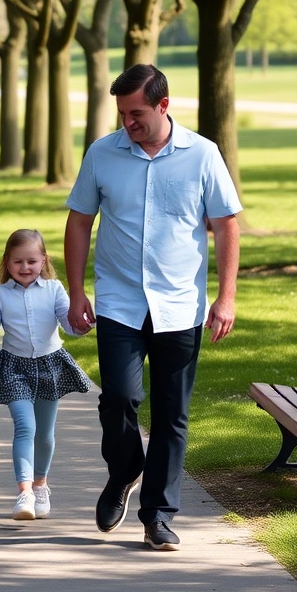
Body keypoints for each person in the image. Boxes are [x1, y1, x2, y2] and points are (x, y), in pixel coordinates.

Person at [64, 64, 241, 552]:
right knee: (118, 398)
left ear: (164, 105)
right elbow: (79, 222)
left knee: (171, 415)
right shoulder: (103, 153)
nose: (128, 122)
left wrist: (225, 298)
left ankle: (158, 515)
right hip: (120, 302)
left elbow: (226, 224)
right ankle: (124, 472)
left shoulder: (202, 154)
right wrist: (77, 292)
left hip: (180, 305)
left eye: (136, 113)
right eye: (122, 114)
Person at [0, 229, 90, 520]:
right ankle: (24, 493)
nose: (24, 268)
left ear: (43, 260)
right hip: (14, 367)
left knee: (45, 434)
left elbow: (68, 325)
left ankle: (41, 484)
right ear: (7, 262)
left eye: (31, 261)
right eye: (17, 262)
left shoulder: (55, 289)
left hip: (50, 365)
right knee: (26, 426)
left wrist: (82, 326)